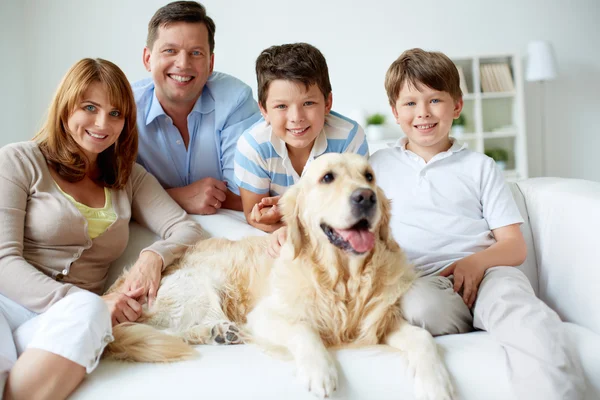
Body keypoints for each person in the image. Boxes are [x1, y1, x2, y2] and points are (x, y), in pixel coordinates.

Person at [369, 48, 584, 400]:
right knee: (420, 308)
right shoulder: (376, 164)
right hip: (421, 280)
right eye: (410, 103)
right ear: (395, 111)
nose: (422, 113)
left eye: (435, 99)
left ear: (456, 106)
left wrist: (476, 262)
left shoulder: (479, 166)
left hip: (488, 273)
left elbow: (514, 245)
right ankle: (471, 317)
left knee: (525, 317)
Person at [0, 58, 204, 400]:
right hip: (7, 302)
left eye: (115, 114)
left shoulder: (130, 178)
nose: (102, 123)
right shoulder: (19, 161)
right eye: (90, 108)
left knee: (91, 311)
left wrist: (153, 256)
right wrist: (78, 299)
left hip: (66, 321)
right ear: (66, 108)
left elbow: (185, 229)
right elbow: (3, 261)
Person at [133, 1, 261, 216]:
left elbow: (246, 195)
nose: (183, 63)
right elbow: (111, 193)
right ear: (148, 59)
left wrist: (150, 195)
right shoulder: (124, 109)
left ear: (210, 63)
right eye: (170, 50)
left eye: (196, 53)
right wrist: (179, 197)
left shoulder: (235, 100)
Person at [234, 43, 369, 232]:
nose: (296, 117)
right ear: (264, 110)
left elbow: (353, 209)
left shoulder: (349, 137)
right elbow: (254, 215)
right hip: (280, 233)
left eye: (308, 103)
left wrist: (294, 208)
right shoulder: (253, 146)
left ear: (327, 102)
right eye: (281, 106)